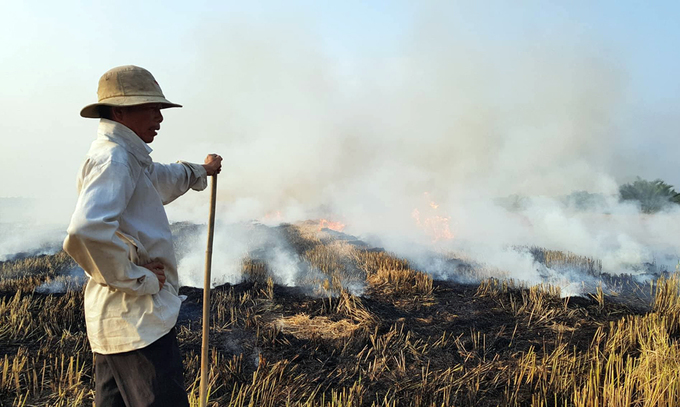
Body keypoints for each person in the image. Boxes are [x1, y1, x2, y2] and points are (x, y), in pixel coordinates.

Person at [63, 65, 222, 407]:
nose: (159, 119)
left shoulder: (129, 160)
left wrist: (201, 171)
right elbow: (86, 230)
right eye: (151, 109)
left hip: (122, 324)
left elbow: (160, 177)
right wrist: (140, 278)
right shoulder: (114, 160)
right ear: (120, 111)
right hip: (138, 323)